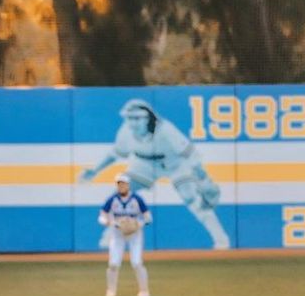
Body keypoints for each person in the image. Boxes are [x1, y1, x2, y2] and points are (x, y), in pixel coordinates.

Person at [79, 98, 231, 250]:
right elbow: (114, 154)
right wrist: (95, 170)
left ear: (148, 118)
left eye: (138, 118)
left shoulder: (166, 130)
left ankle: (221, 240)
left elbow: (189, 154)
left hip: (174, 164)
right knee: (120, 194)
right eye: (130, 118)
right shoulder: (126, 131)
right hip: (144, 164)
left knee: (191, 198)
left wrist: (203, 178)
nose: (133, 122)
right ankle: (110, 235)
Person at [98, 172, 151, 296]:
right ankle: (111, 290)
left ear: (128, 185)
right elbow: (102, 216)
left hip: (135, 234)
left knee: (137, 263)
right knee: (113, 264)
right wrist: (107, 221)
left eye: (123, 183)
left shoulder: (137, 199)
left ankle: (144, 291)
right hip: (118, 233)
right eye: (119, 184)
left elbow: (148, 217)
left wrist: (138, 224)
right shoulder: (112, 199)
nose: (121, 186)